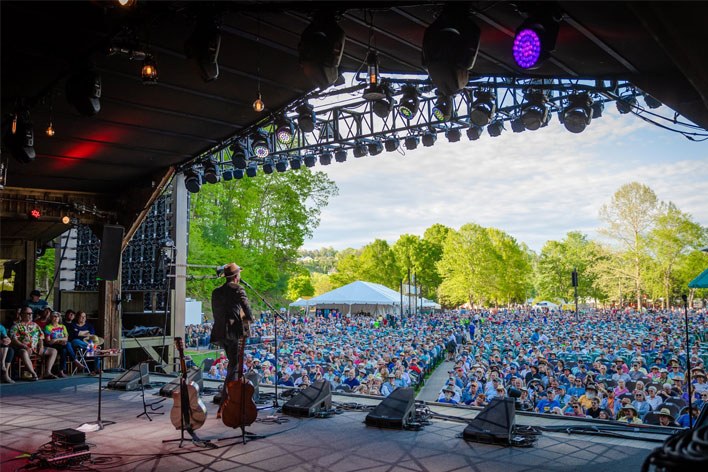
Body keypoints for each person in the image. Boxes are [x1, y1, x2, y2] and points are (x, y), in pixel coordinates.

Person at [211, 262, 254, 411]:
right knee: (234, 366)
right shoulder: (238, 289)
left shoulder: (216, 292)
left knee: (232, 364)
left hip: (220, 332)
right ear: (236, 277)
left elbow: (217, 312)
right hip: (233, 332)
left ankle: (229, 399)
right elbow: (248, 312)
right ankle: (226, 401)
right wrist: (249, 318)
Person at [10, 307, 58, 380]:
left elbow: (41, 337)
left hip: (36, 348)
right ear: (22, 314)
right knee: (24, 352)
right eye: (28, 313)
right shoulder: (16, 326)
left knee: (54, 351)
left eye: (31, 313)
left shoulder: (35, 325)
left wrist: (41, 346)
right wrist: (24, 346)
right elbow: (13, 339)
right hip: (22, 348)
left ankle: (47, 372)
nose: (30, 315)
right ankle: (33, 373)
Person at [44, 311, 81, 377]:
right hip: (53, 346)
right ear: (51, 318)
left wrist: (56, 339)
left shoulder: (63, 327)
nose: (56, 318)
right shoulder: (48, 327)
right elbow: (48, 341)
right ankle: (75, 360)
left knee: (64, 349)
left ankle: (61, 371)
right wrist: (58, 341)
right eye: (54, 316)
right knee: (67, 344)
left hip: (61, 345)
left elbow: (66, 338)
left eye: (58, 316)